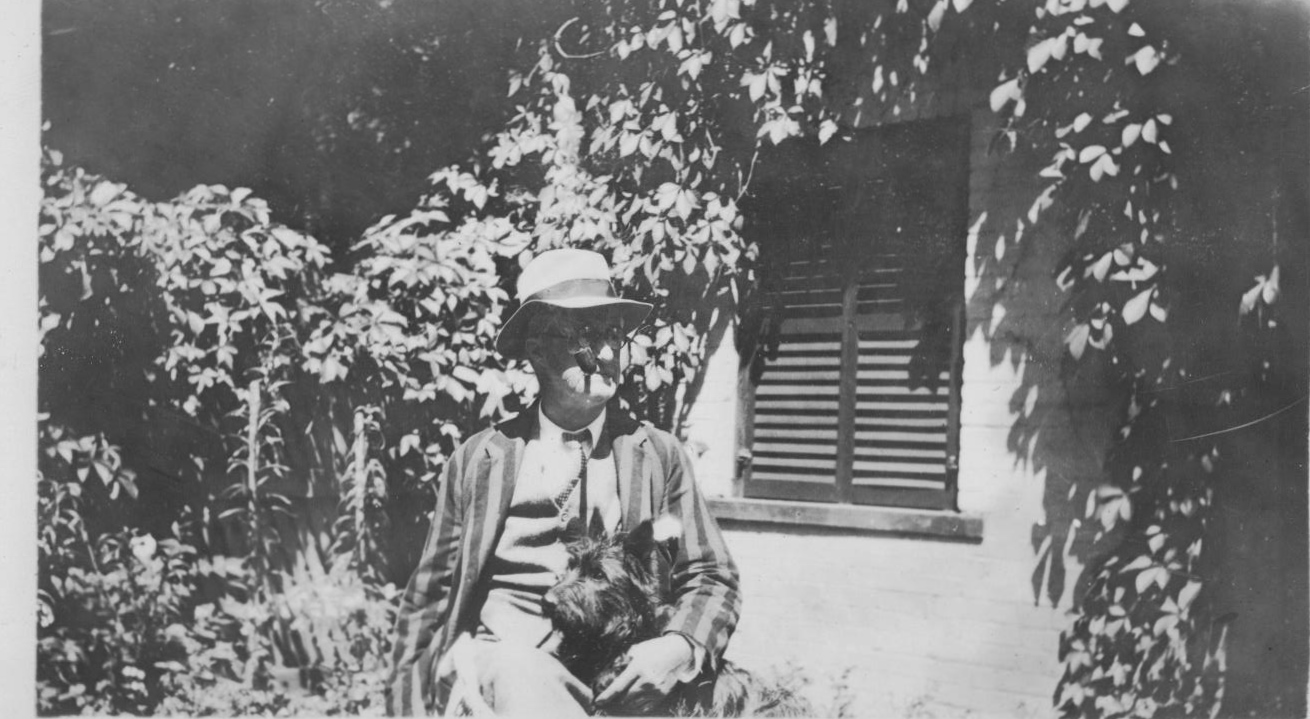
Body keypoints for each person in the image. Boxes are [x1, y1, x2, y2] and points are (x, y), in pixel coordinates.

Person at [386, 248, 741, 717]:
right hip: (508, 664)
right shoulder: (479, 460)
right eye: (589, 335)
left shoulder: (656, 455)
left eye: (616, 335)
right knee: (520, 672)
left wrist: (678, 646)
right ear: (536, 348)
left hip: (620, 679)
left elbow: (711, 574)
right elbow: (429, 601)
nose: (610, 353)